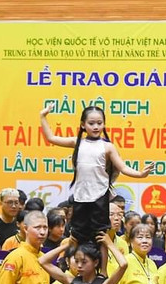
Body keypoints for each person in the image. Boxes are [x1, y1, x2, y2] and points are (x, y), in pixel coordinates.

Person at [40, 105, 152, 246]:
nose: (96, 127)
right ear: (83, 124)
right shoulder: (77, 142)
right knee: (77, 235)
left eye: (99, 123)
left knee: (101, 235)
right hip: (81, 197)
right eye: (91, 123)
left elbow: (123, 167)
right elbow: (51, 138)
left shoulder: (108, 147)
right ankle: (75, 259)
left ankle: (103, 262)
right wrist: (43, 116)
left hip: (100, 197)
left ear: (104, 124)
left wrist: (140, 174)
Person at [41, 233, 127, 284]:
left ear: (95, 262)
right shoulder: (73, 282)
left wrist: (110, 244)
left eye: (84, 262)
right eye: (76, 261)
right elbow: (42, 261)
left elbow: (123, 264)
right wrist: (67, 245)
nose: (79, 265)